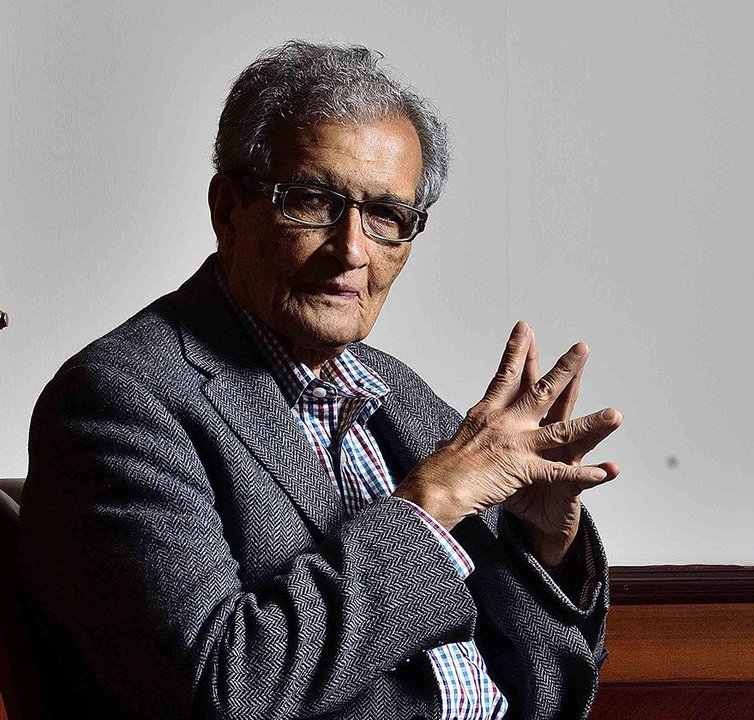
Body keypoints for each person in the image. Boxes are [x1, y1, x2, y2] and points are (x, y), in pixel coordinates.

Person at [19, 41, 622, 720]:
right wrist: (428, 507)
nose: (352, 250)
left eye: (386, 216)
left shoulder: (398, 393)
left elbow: (554, 686)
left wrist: (543, 546)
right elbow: (221, 690)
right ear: (228, 210)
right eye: (311, 201)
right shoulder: (117, 402)